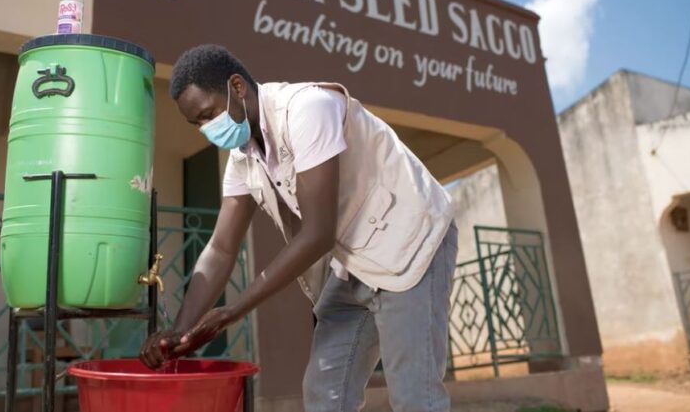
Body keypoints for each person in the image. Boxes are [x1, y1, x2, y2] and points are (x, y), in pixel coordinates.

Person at [139, 44, 459, 412]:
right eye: (197, 123)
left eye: (209, 114)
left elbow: (318, 233)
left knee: (416, 397)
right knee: (326, 390)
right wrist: (180, 330)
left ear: (238, 87)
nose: (208, 129)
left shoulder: (307, 109)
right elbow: (221, 249)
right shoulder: (243, 159)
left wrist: (232, 311)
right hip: (355, 261)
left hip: (411, 243)